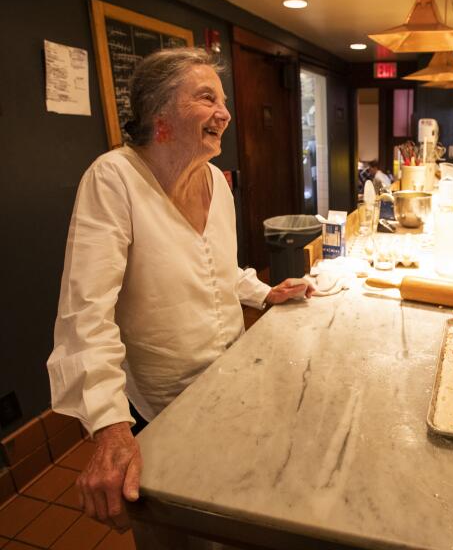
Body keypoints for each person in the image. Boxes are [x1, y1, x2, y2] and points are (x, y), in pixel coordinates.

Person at [46, 48, 313, 531]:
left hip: (230, 380)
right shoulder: (113, 179)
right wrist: (108, 426)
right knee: (179, 531)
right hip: (159, 403)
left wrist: (262, 293)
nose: (225, 113)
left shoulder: (215, 179)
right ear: (159, 111)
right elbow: (85, 314)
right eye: (207, 97)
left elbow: (218, 267)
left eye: (224, 100)